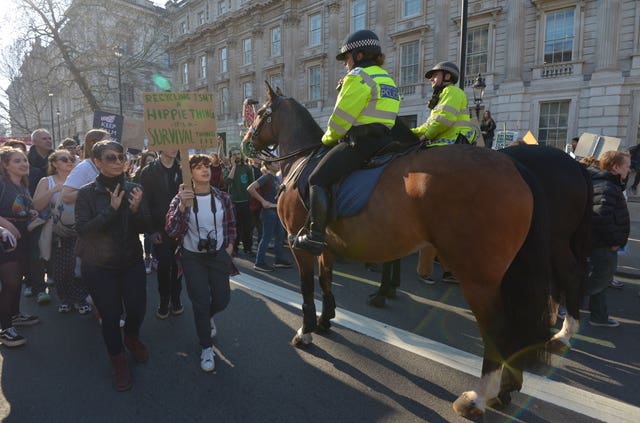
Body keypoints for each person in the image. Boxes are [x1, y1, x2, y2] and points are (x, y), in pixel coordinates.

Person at [293, 29, 400, 255]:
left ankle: (315, 236)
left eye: (347, 58)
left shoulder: (358, 76)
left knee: (317, 178)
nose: (345, 64)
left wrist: (327, 139)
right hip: (385, 140)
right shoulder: (387, 78)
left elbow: (340, 120)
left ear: (359, 55)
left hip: (361, 142)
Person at [75, 140, 151, 391]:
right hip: (98, 267)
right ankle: (118, 361)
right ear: (97, 162)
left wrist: (138, 210)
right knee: (109, 317)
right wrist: (110, 210)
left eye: (121, 156)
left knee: (138, 308)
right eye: (111, 157)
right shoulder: (86, 193)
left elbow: (146, 228)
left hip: (130, 261)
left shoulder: (135, 188)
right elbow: (83, 231)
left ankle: (131, 336)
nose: (118, 161)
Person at [165, 154, 236, 372]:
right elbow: (171, 230)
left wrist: (228, 250)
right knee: (200, 302)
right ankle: (206, 347)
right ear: (190, 173)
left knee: (222, 299)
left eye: (207, 166)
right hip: (192, 257)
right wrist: (182, 207)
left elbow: (231, 227)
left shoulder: (223, 197)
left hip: (218, 256)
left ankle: (208, 317)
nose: (204, 170)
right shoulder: (180, 199)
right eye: (197, 167)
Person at [585, 150, 631, 327]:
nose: (629, 169)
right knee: (599, 280)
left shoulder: (611, 185)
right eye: (626, 166)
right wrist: (614, 242)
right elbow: (601, 218)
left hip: (604, 245)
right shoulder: (607, 186)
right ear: (616, 167)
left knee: (601, 283)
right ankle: (564, 301)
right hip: (603, 246)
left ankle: (599, 316)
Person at [0, 147, 40, 346]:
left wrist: (30, 212)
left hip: (23, 237)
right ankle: (5, 328)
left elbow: (20, 208)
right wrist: (6, 224)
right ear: (5, 165)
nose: (24, 163)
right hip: (4, 241)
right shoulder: (2, 184)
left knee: (17, 280)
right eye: (17, 161)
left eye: (24, 160)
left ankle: (14, 316)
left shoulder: (22, 185)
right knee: (11, 283)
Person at [139, 149, 184, 318]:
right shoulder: (148, 171)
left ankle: (176, 298)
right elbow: (144, 203)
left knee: (178, 265)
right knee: (165, 266)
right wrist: (150, 231)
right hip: (160, 229)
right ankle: (164, 299)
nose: (173, 147)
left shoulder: (183, 168)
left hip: (180, 227)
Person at [411, 62, 477, 147]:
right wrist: (411, 132)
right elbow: (428, 125)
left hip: (454, 141)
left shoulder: (452, 91)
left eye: (435, 75)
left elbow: (444, 120)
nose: (431, 79)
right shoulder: (442, 95)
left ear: (447, 76)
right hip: (444, 142)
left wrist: (426, 137)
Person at [24, 129, 54, 302]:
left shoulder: (56, 157)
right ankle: (35, 284)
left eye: (49, 138)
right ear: (34, 141)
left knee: (52, 244)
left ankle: (51, 274)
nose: (48, 141)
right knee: (34, 248)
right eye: (44, 138)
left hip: (53, 207)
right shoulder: (26, 161)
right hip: (33, 209)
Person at [247, 162, 292, 272]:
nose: (278, 164)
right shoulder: (266, 176)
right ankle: (259, 262)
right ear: (268, 165)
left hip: (276, 211)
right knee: (266, 237)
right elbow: (250, 188)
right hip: (269, 212)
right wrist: (263, 201)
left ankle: (278, 259)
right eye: (275, 163)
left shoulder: (275, 177)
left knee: (280, 235)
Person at [224, 147, 254, 256]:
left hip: (246, 202)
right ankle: (235, 248)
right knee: (235, 227)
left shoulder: (247, 168)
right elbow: (227, 181)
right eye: (234, 154)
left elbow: (252, 184)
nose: (236, 156)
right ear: (231, 156)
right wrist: (234, 166)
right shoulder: (228, 168)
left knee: (247, 227)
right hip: (234, 203)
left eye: (238, 153)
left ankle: (248, 248)